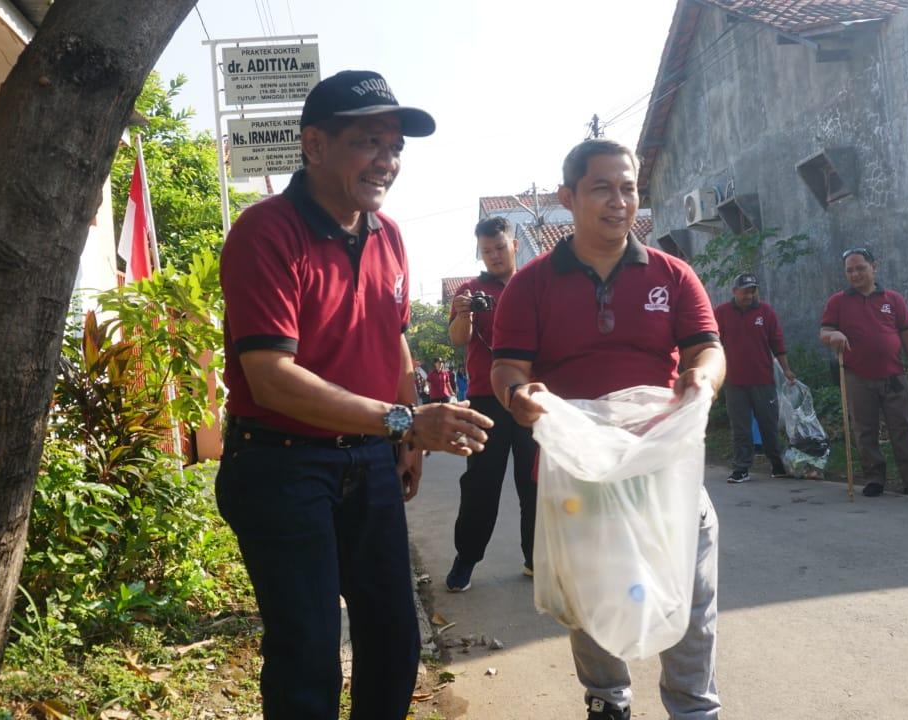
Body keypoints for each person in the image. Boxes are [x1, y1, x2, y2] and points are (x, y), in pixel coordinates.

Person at [216, 70, 494, 720]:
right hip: (280, 464)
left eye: (395, 147)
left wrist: (407, 443)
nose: (387, 163)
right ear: (315, 144)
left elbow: (391, 339)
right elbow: (270, 377)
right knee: (309, 650)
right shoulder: (267, 232)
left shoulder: (388, 234)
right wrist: (404, 420)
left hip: (367, 462)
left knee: (396, 639)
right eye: (370, 142)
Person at [491, 139, 725, 720]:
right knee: (592, 597)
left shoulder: (673, 275)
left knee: (689, 593)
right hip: (580, 471)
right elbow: (508, 366)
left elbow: (707, 349)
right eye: (602, 188)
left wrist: (701, 381)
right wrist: (519, 396)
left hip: (661, 464)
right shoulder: (531, 284)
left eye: (628, 188)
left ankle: (695, 708)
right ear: (568, 197)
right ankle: (607, 702)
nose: (619, 202)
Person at [445, 216, 538, 591]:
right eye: (487, 251)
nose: (494, 256)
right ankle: (466, 559)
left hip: (532, 396)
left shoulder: (535, 283)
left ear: (514, 245)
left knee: (534, 483)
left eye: (500, 248)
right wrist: (465, 312)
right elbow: (457, 339)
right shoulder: (469, 289)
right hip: (486, 399)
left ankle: (536, 558)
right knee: (481, 484)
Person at [820, 248, 908, 498]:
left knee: (903, 427)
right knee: (864, 429)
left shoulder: (893, 299)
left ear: (874, 267)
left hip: (894, 374)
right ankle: (875, 478)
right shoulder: (838, 301)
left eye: (860, 268)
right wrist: (835, 334)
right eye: (850, 270)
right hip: (857, 375)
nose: (855, 274)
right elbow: (824, 333)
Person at [713, 273, 795, 483]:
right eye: (745, 291)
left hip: (762, 379)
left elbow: (777, 342)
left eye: (752, 291)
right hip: (734, 381)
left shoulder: (765, 312)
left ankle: (777, 464)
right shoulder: (722, 313)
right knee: (740, 426)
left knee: (768, 424)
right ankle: (741, 468)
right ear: (735, 291)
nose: (749, 295)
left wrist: (786, 370)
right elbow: (712, 342)